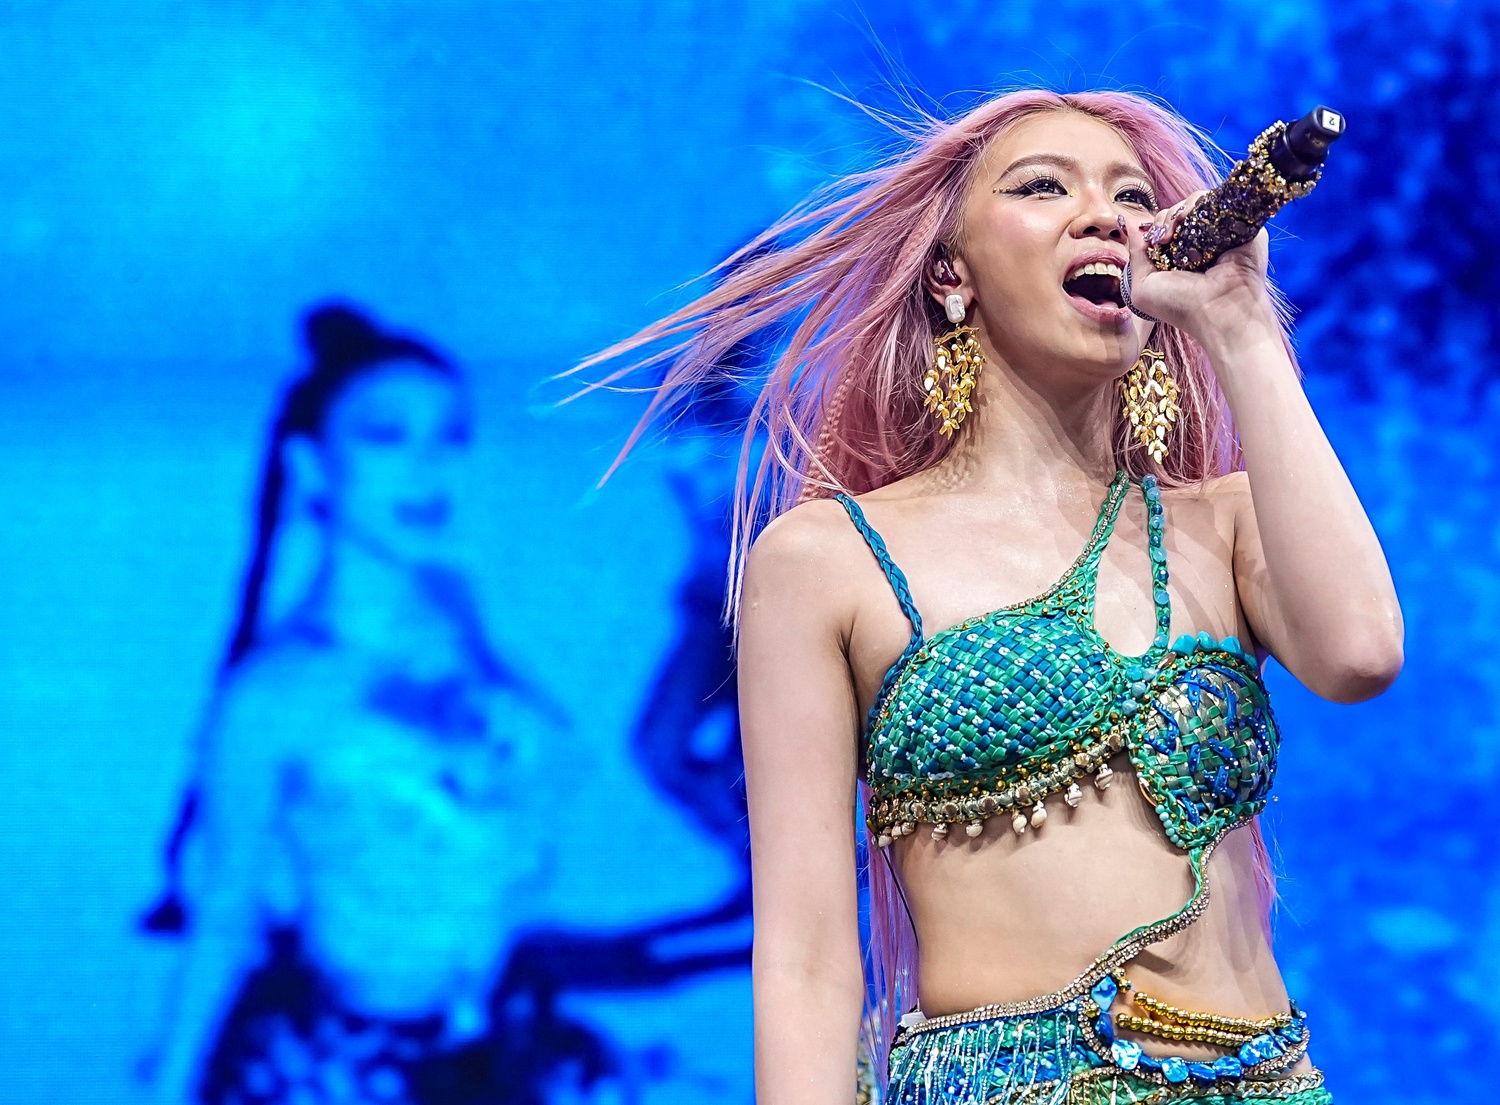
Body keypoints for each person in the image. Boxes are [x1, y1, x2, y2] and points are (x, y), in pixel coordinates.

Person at [578, 89, 1403, 1103]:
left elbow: (1361, 651)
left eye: (1132, 195)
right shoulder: (827, 559)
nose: (1104, 215)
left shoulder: (1221, 523)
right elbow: (807, 959)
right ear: (950, 275)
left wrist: (1242, 329)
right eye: (1044, 185)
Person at [139, 304, 571, 1105]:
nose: (427, 469)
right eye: (384, 436)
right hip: (357, 1068)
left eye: (449, 437)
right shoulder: (272, 693)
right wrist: (170, 1087)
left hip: (498, 1036)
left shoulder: (457, 612)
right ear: (312, 467)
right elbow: (226, 918)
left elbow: (529, 785)